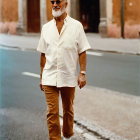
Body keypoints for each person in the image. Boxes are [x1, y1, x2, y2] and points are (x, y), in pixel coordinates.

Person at [37, 0, 91, 139]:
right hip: (49, 76)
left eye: (58, 1)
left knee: (68, 110)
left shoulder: (76, 26)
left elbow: (82, 50)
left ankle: (67, 133)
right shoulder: (46, 28)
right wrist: (41, 77)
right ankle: (55, 138)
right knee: (52, 112)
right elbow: (43, 54)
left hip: (68, 76)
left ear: (66, 3)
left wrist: (82, 73)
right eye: (52, 2)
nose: (55, 4)